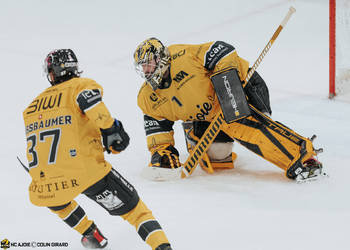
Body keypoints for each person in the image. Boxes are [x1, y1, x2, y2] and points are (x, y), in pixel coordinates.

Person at [23, 49, 173, 250]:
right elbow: (91, 105)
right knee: (137, 212)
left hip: (44, 184)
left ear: (52, 73)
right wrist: (112, 130)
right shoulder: (79, 86)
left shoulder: (31, 108)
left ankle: (90, 235)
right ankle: (163, 247)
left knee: (57, 201)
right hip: (87, 174)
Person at [133, 37, 324, 182]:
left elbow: (222, 49)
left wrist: (227, 85)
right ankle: (192, 129)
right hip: (209, 113)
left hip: (244, 86)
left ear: (162, 58)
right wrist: (162, 152)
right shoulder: (148, 97)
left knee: (253, 128)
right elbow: (157, 128)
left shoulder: (183, 56)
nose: (147, 71)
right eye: (143, 67)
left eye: (149, 64)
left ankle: (302, 157)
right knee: (217, 155)